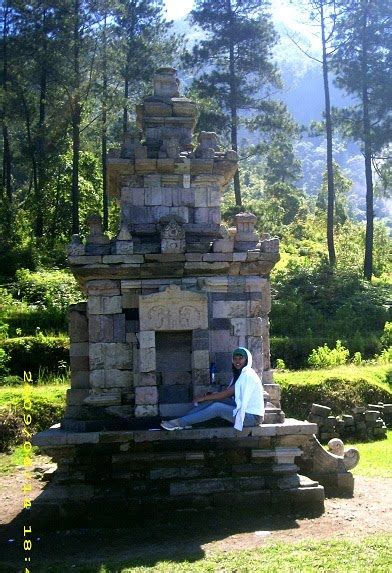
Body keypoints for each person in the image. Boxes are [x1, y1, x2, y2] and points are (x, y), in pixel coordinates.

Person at [160, 347, 264, 431]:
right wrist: (211, 396)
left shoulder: (247, 374)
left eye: (240, 358)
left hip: (252, 418)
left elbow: (227, 393)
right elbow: (228, 394)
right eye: (235, 359)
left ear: (246, 360)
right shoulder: (241, 374)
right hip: (244, 411)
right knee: (215, 400)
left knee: (217, 407)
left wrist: (204, 398)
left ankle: (180, 423)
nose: (237, 361)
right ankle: (185, 419)